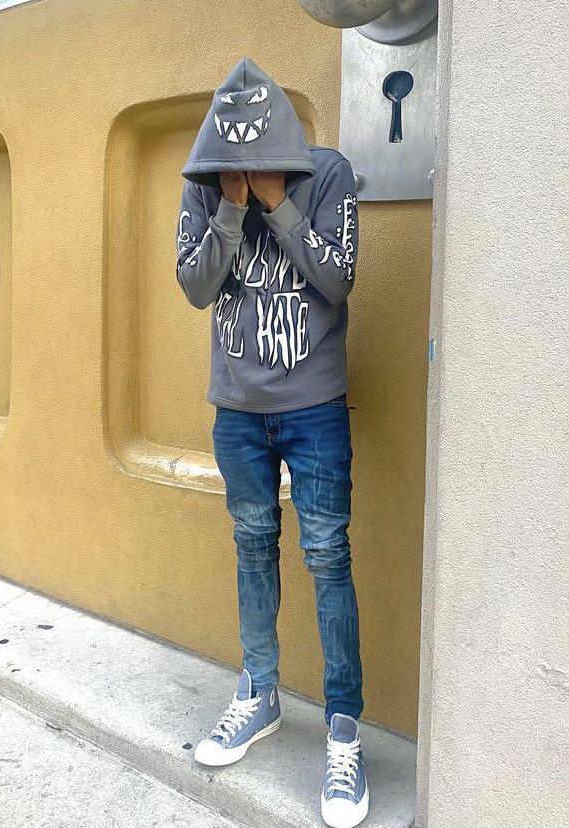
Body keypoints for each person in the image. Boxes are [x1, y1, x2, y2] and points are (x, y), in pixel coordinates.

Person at [175, 56, 367, 828]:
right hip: (238, 412)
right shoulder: (204, 185)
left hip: (314, 407)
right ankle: (259, 694)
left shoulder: (328, 175)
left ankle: (344, 729)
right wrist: (229, 210)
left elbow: (338, 279)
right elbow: (195, 287)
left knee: (327, 556)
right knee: (253, 546)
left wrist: (279, 205)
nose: (246, 165)